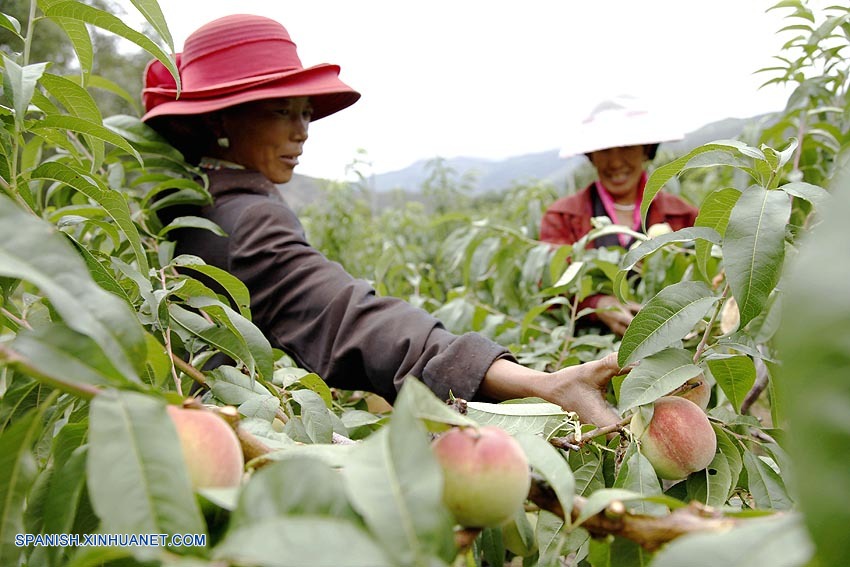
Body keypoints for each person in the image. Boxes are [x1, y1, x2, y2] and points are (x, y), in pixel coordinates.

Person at [142, 14, 623, 429]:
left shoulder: (181, 204)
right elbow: (350, 318)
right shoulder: (249, 217)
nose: (302, 132)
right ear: (220, 120)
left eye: (306, 113)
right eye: (281, 111)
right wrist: (537, 383)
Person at [540, 96, 698, 336]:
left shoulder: (683, 216)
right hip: (589, 348)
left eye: (626, 147)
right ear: (591, 155)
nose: (615, 162)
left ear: (646, 150)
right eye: (604, 150)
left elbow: (709, 277)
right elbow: (550, 287)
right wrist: (596, 304)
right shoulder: (562, 217)